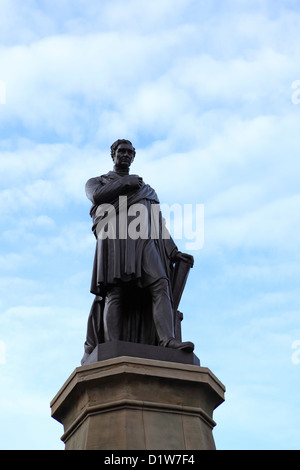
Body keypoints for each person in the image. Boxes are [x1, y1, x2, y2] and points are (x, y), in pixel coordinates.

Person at [81, 139, 194, 362]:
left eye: (129, 152)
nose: (124, 155)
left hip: (144, 241)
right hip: (115, 238)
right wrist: (126, 184)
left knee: (160, 283)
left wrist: (173, 251)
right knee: (116, 291)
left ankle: (167, 339)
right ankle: (113, 344)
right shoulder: (97, 181)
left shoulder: (146, 189)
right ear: (112, 154)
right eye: (120, 151)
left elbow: (157, 222)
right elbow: (97, 197)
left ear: (134, 156)